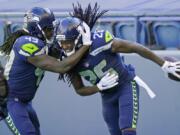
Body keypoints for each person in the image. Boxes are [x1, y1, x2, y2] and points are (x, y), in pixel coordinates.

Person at [55, 3, 180, 135]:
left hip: (125, 85)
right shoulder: (66, 60)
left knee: (128, 130)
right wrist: (98, 87)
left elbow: (134, 47)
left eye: (68, 42)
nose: (64, 46)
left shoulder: (100, 41)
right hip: (107, 95)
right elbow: (80, 89)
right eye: (61, 42)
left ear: (80, 37)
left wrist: (163, 64)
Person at [0, 6, 92, 135]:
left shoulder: (39, 43)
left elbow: (63, 55)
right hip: (11, 102)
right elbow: (62, 66)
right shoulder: (26, 43)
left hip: (24, 102)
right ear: (36, 28)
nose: (51, 33)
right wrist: (86, 45)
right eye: (48, 29)